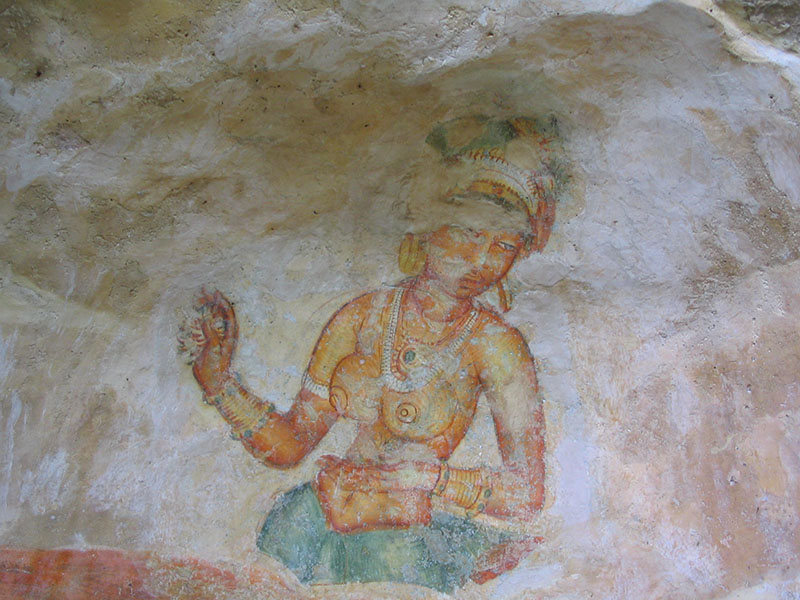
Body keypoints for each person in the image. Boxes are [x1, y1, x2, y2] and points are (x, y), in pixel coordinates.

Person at [180, 116, 565, 593]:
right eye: (467, 232)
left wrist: (424, 477)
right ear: (427, 227)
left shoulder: (497, 346)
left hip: (408, 548)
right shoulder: (362, 318)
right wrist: (218, 382)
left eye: (504, 245)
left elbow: (526, 493)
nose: (481, 260)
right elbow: (293, 444)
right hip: (310, 528)